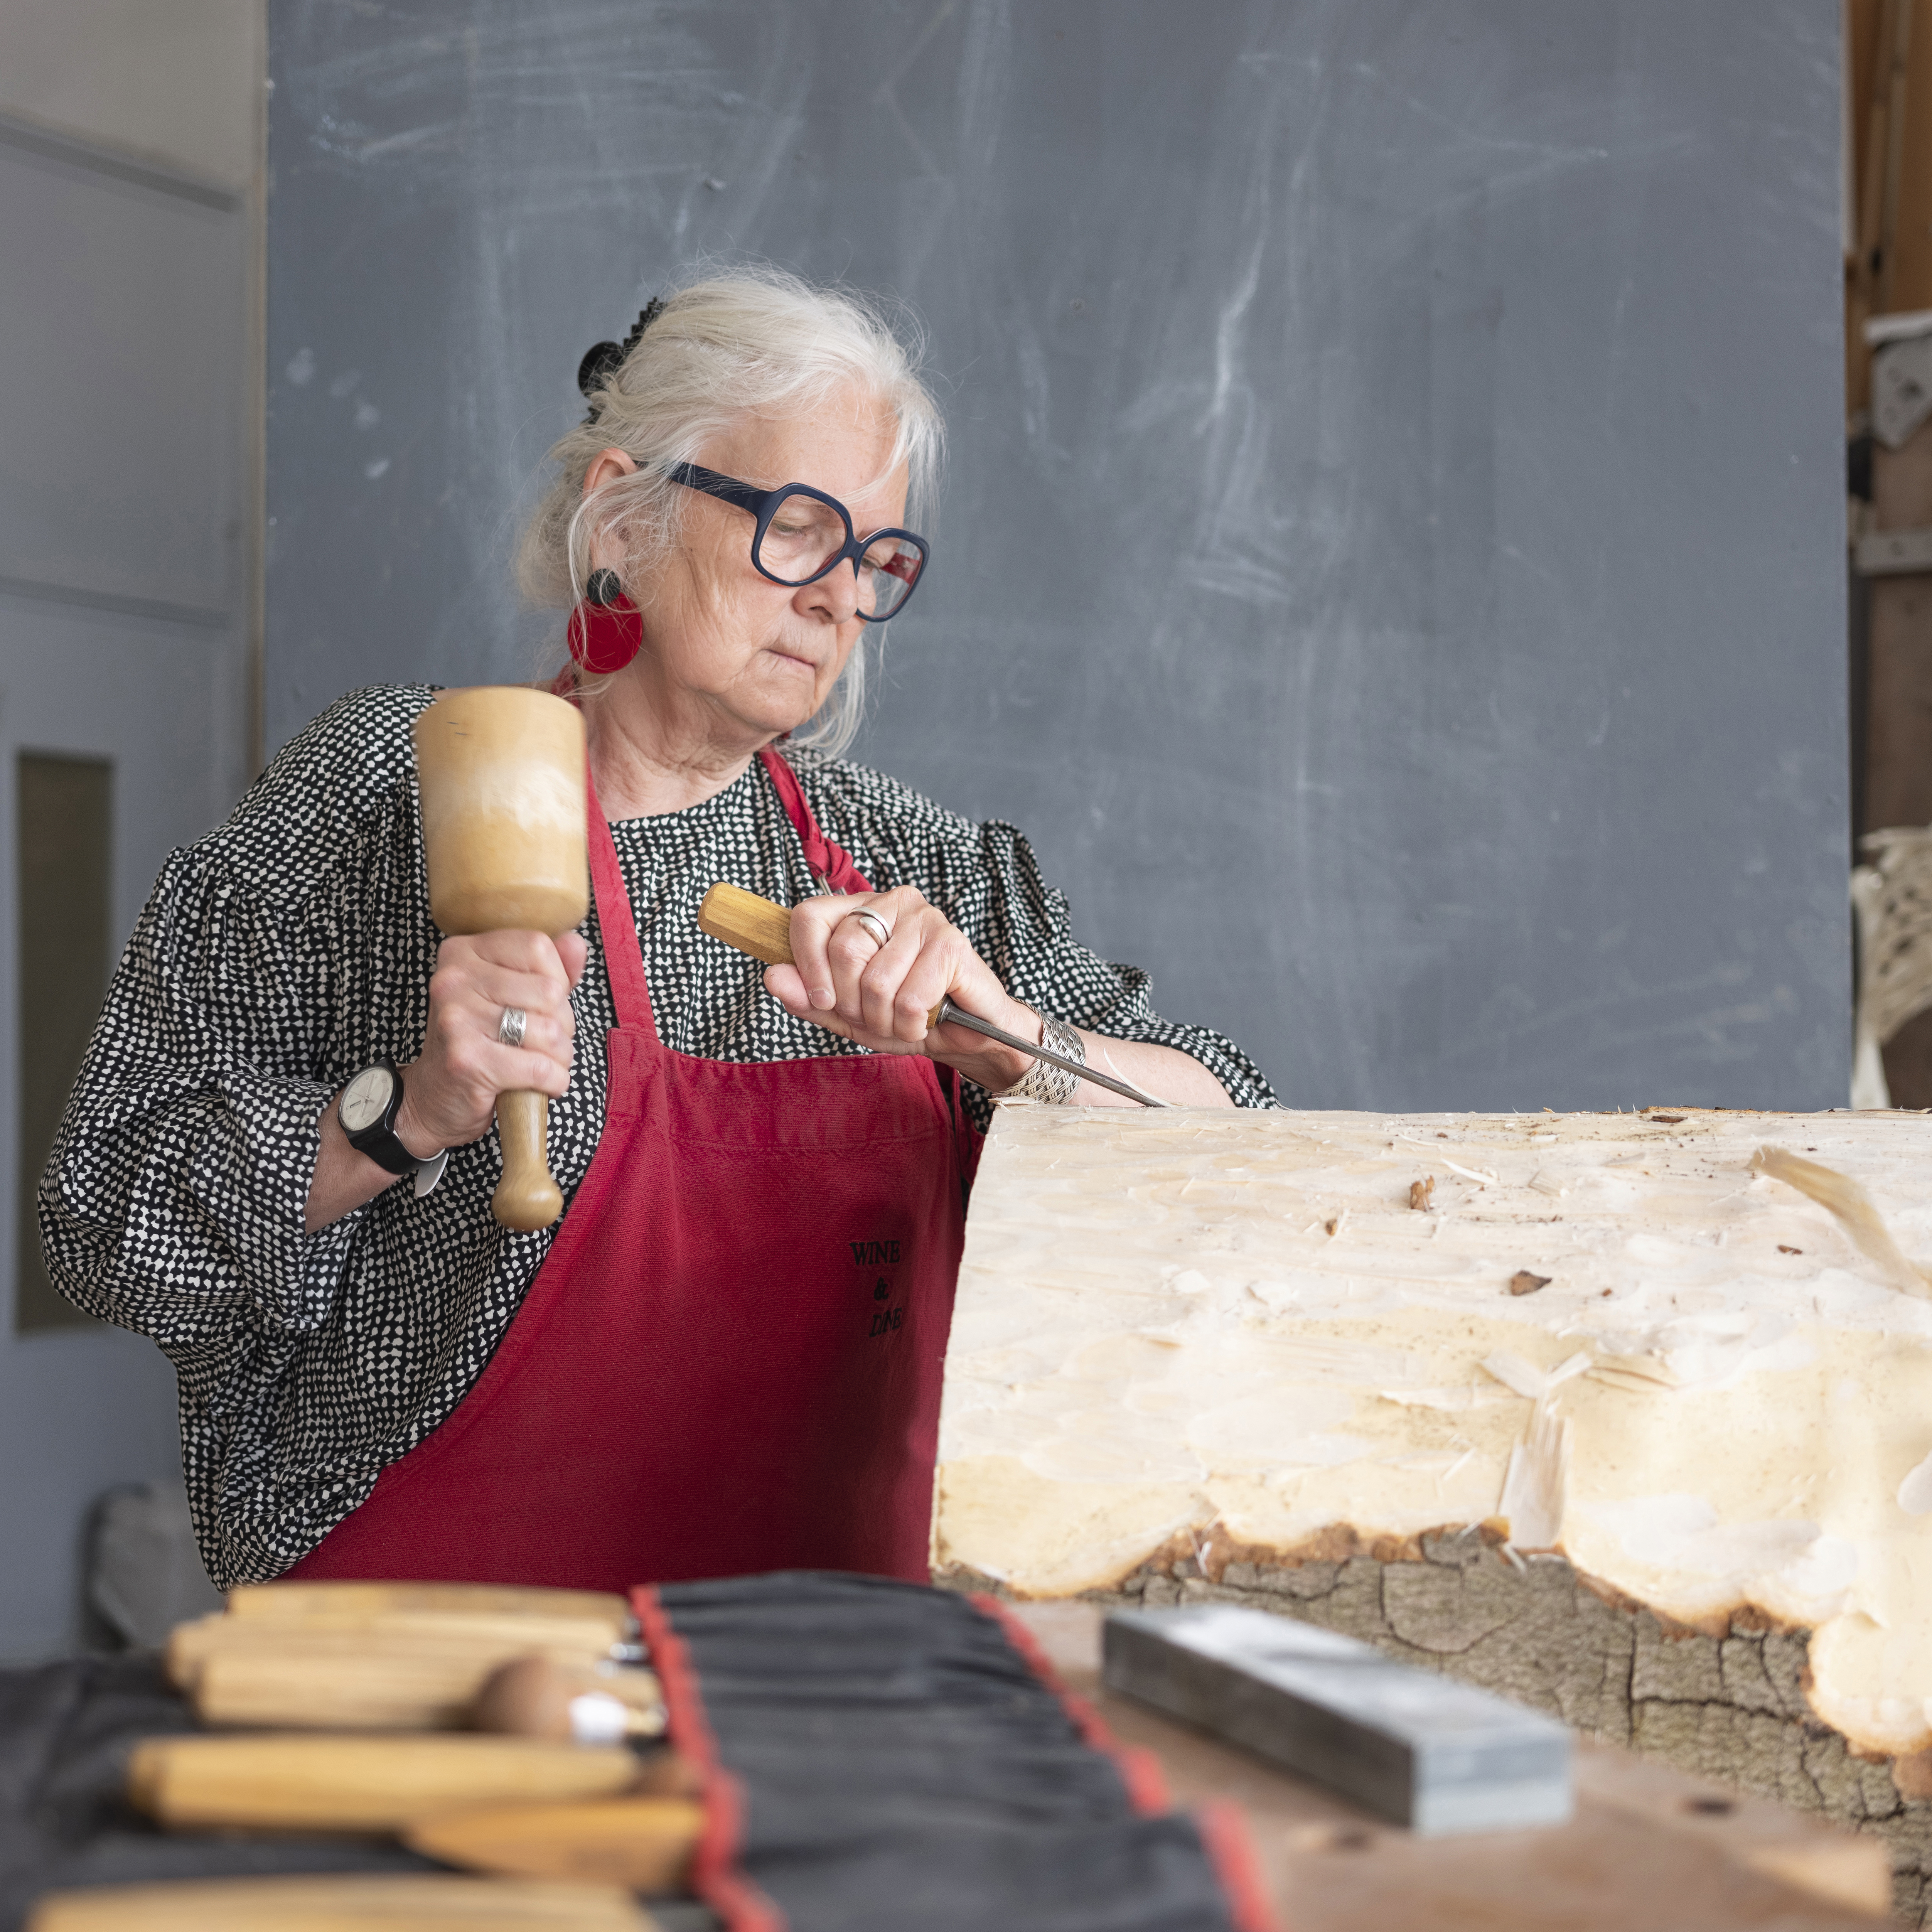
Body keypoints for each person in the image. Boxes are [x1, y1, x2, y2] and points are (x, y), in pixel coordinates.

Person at [41, 268, 1276, 1595]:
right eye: (799, 530)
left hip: (835, 1656)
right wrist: (405, 1109)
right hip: (431, 1648)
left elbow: (1232, 1154)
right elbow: (105, 1220)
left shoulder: (919, 868)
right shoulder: (384, 796)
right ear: (622, 513)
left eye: (877, 560)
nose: (840, 600)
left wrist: (1013, 1044)